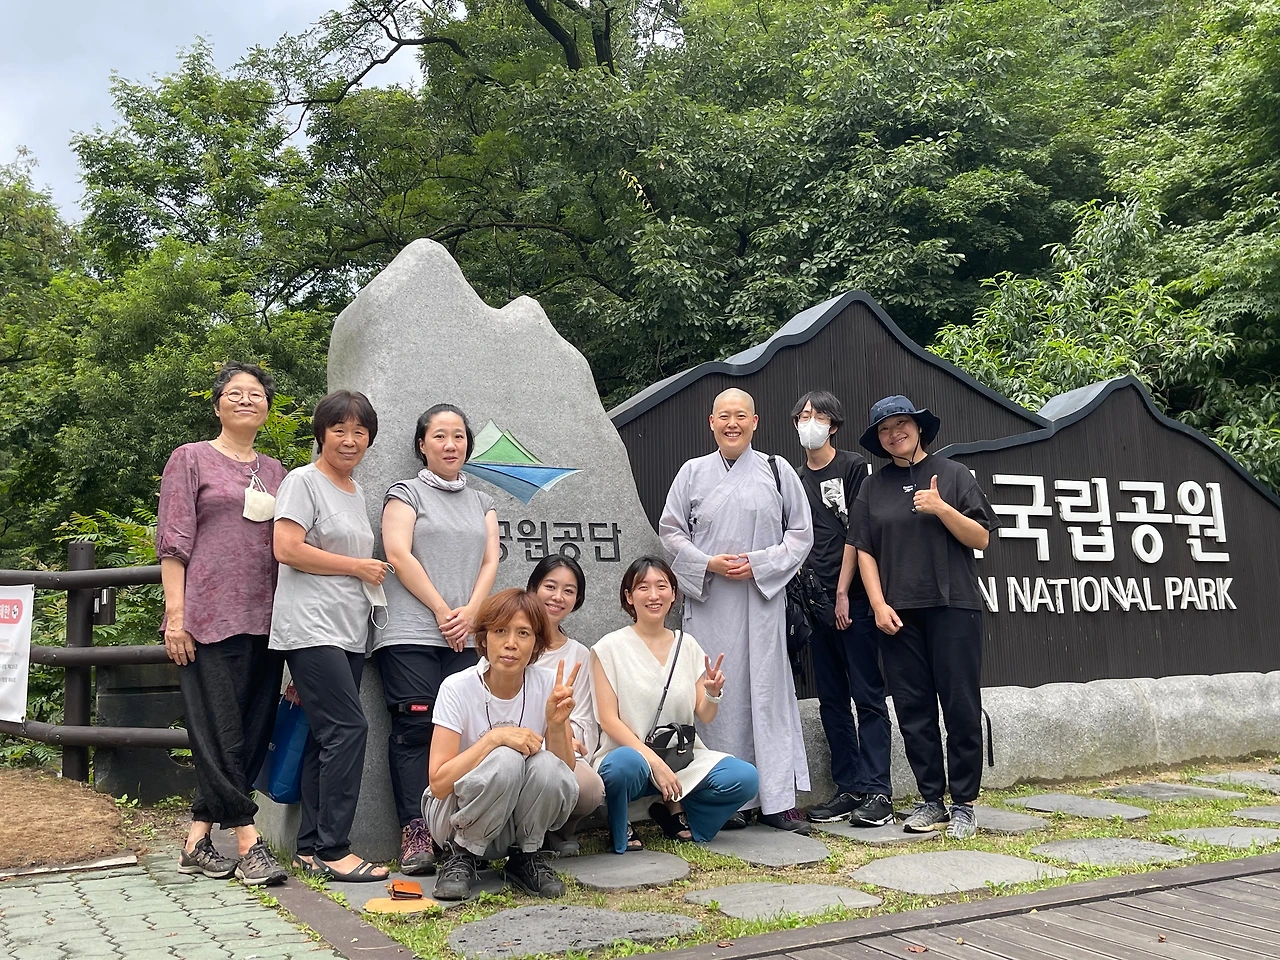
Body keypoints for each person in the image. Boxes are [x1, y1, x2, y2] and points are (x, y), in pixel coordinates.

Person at [157, 361, 289, 886]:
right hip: (208, 617)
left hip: (268, 618)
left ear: (267, 409)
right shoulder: (190, 458)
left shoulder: (277, 472)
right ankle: (249, 842)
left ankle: (195, 842)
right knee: (220, 734)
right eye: (235, 393)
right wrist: (176, 617)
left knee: (252, 733)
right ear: (217, 405)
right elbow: (173, 541)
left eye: (256, 393)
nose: (246, 400)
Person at [658, 387, 814, 832]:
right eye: (724, 416)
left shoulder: (777, 470)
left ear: (755, 421)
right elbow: (670, 532)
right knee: (715, 695)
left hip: (762, 601)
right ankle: (726, 798)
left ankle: (777, 798)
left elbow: (800, 534)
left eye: (741, 415)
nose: (732, 423)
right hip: (711, 601)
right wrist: (707, 563)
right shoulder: (691, 472)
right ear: (711, 423)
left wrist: (761, 564)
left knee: (767, 695)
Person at [848, 396, 1001, 840]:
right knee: (913, 709)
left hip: (953, 607)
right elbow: (864, 550)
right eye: (884, 429)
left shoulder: (953, 474)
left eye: (902, 424)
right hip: (898, 614)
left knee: (960, 706)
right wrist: (877, 603)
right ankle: (931, 799)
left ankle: (964, 803)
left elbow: (981, 538)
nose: (894, 433)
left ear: (918, 428)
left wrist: (941, 507)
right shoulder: (872, 487)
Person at [375, 404, 500, 874]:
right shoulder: (405, 493)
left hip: (465, 635)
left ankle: (461, 834)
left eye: (459, 436)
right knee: (415, 728)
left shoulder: (482, 502)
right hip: (410, 632)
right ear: (422, 445)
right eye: (440, 436)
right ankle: (416, 830)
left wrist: (472, 613)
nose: (451, 445)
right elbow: (397, 553)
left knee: (466, 732)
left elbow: (490, 561)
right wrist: (443, 609)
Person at [270, 389, 390, 881]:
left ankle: (308, 847)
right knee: (348, 729)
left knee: (326, 737)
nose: (349, 439)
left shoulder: (356, 491)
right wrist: (357, 566)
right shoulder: (303, 481)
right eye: (339, 429)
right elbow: (286, 547)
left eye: (359, 431)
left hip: (348, 630)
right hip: (310, 627)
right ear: (321, 433)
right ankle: (335, 849)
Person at [593, 556, 759, 853]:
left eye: (662, 586)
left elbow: (704, 714)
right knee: (624, 765)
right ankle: (620, 822)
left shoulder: (688, 645)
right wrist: (655, 763)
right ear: (629, 596)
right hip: (632, 760)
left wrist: (713, 693)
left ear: (673, 594)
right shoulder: (608, 648)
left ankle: (680, 809)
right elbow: (608, 720)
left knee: (744, 777)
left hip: (680, 759)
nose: (653, 595)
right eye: (643, 587)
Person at [425, 589, 579, 901]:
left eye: (523, 633)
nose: (511, 643)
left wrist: (556, 724)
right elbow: (439, 784)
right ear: (483, 640)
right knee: (507, 757)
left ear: (536, 643)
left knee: (547, 765)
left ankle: (526, 856)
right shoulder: (457, 687)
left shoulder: (547, 684)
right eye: (500, 631)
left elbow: (565, 771)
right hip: (455, 816)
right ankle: (461, 856)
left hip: (512, 820)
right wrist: (495, 738)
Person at [789, 391, 894, 828]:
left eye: (817, 416)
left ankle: (878, 791)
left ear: (833, 425)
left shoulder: (852, 467)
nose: (809, 423)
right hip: (814, 604)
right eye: (802, 416)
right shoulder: (792, 477)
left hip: (853, 601)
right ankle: (848, 787)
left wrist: (844, 593)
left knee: (868, 696)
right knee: (831, 700)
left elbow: (858, 533)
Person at [526, 555, 605, 856]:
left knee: (589, 789)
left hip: (563, 749)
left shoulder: (579, 654)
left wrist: (562, 738)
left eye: (569, 591)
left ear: (577, 599)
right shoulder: (512, 642)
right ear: (533, 588)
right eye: (550, 586)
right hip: (515, 745)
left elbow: (584, 720)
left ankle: (558, 830)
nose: (558, 597)